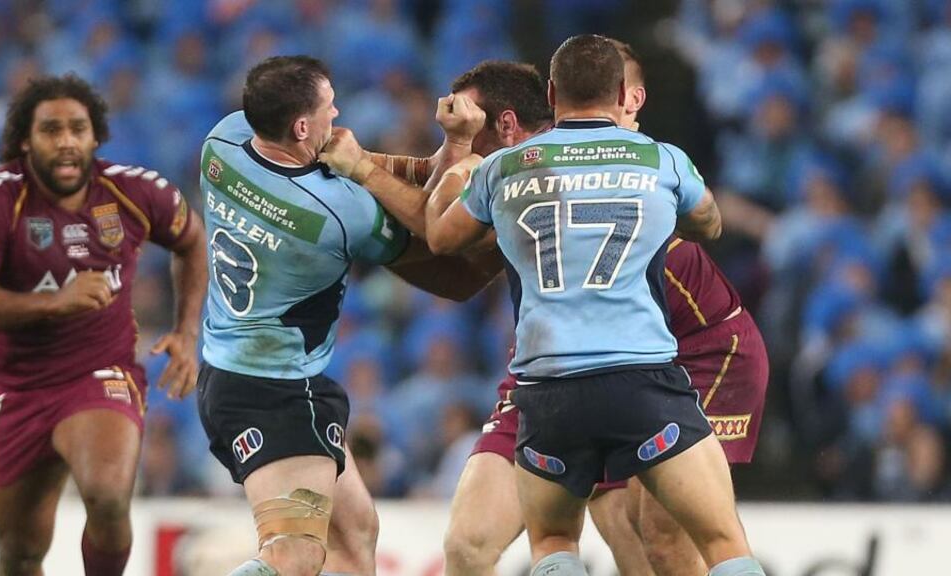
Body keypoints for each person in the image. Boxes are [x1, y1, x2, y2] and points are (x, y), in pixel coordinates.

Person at [323, 48, 768, 575]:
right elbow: (708, 219)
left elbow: (439, 231)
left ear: (518, 119)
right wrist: (447, 147)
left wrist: (372, 166)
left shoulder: (511, 177)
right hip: (592, 360)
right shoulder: (651, 158)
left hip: (700, 349)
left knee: (653, 538)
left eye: (467, 120)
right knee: (471, 545)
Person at [196, 55, 494, 576]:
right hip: (282, 390)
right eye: (330, 110)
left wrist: (361, 160)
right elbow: (433, 226)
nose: (340, 116)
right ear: (302, 126)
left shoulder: (221, 144)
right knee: (297, 552)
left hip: (227, 371)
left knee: (356, 532)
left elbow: (298, 143)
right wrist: (460, 147)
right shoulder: (337, 213)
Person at [0, 74, 207, 576]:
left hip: (98, 373)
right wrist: (54, 303)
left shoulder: (133, 191)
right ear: (25, 140)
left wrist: (187, 331)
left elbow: (192, 241)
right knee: (20, 555)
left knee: (107, 497)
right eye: (50, 129)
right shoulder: (0, 198)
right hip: (18, 388)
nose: (66, 141)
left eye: (77, 128)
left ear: (94, 137)